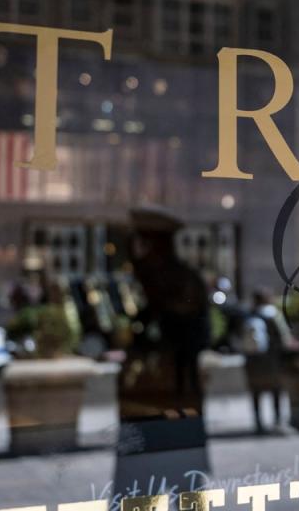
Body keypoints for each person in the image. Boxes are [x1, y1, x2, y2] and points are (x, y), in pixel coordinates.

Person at [113, 206, 211, 498]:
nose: (141, 251)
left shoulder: (180, 281)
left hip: (175, 393)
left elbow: (192, 334)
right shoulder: (148, 279)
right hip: (144, 396)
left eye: (145, 242)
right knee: (136, 486)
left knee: (185, 485)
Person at [233, 290, 286, 434]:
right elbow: (281, 339)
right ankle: (277, 421)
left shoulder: (247, 316)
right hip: (270, 361)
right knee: (275, 391)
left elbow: (238, 338)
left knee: (256, 393)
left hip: (252, 362)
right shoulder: (272, 315)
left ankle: (258, 423)